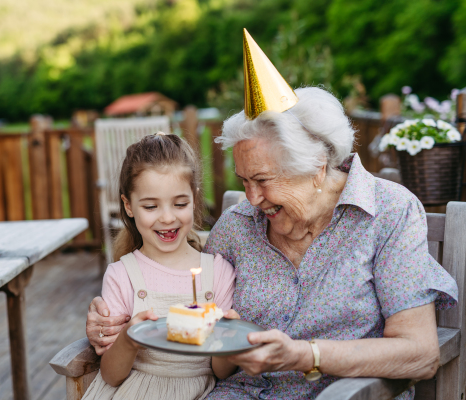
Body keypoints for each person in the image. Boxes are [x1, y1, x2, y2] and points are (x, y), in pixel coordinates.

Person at [84, 30, 458, 400]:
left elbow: (420, 352)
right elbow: (186, 277)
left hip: (346, 393)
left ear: (317, 166)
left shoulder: (389, 212)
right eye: (244, 180)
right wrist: (109, 323)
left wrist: (305, 354)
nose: (252, 198)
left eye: (262, 180)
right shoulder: (237, 226)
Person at [82, 132, 236, 400]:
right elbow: (111, 375)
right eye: (151, 206)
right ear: (129, 206)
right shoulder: (122, 275)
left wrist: (229, 338)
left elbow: (221, 371)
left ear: (195, 198)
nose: (167, 217)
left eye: (180, 204)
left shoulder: (219, 272)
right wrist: (128, 338)